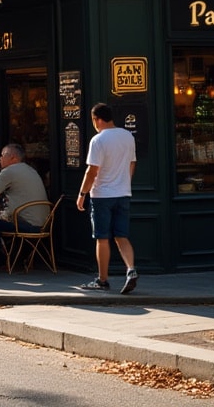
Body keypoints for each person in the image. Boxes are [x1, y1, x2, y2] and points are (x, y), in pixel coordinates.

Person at [78, 103, 139, 293]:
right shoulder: (127, 136)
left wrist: (82, 194)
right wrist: (124, 182)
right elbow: (132, 163)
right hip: (123, 193)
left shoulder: (98, 140)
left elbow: (92, 171)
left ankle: (102, 280)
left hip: (102, 195)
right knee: (122, 236)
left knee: (102, 238)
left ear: (97, 119)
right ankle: (131, 269)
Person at [0, 143, 49, 259]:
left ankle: (0, 259)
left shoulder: (8, 172)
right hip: (45, 224)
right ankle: (11, 257)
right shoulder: (30, 169)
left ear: (13, 158)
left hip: (26, 224)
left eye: (2, 155)